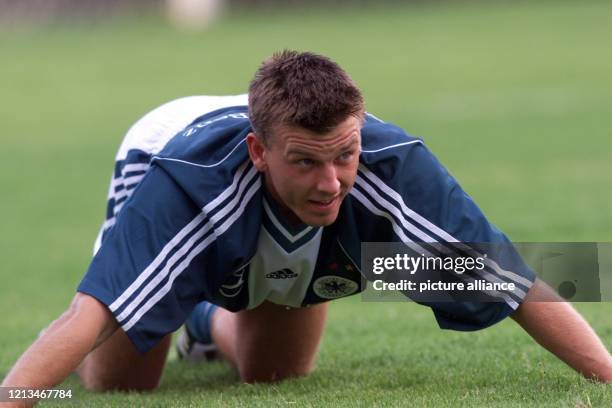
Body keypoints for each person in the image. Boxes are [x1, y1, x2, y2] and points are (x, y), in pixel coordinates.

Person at [2, 50, 611, 404]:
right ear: (259, 152)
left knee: (276, 375)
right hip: (162, 152)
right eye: (306, 160)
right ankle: (165, 282)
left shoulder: (391, 165)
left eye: (344, 154)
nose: (331, 181)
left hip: (278, 213)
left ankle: (206, 321)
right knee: (122, 384)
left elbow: (510, 279)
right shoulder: (187, 184)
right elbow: (88, 316)